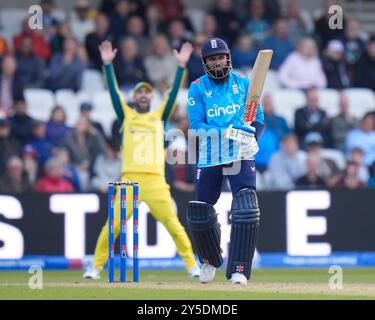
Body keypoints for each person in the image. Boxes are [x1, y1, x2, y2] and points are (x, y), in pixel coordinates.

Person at [83, 40, 199, 280]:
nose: (144, 94)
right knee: (112, 227)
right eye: (140, 92)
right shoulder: (126, 115)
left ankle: (192, 265)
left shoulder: (160, 116)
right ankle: (95, 267)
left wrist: (180, 67)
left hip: (156, 182)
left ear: (151, 96)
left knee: (174, 226)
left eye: (147, 91)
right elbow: (114, 93)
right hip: (129, 181)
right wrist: (107, 66)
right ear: (134, 97)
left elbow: (173, 94)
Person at [186, 38, 264, 285]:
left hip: (240, 153)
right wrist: (228, 131)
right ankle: (209, 260)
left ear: (228, 58)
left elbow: (258, 119)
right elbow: (197, 127)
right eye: (211, 58)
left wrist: (252, 137)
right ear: (205, 62)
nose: (217, 61)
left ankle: (239, 268)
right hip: (210, 155)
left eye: (220, 57)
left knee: (246, 207)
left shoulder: (243, 83)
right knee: (201, 210)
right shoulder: (197, 87)